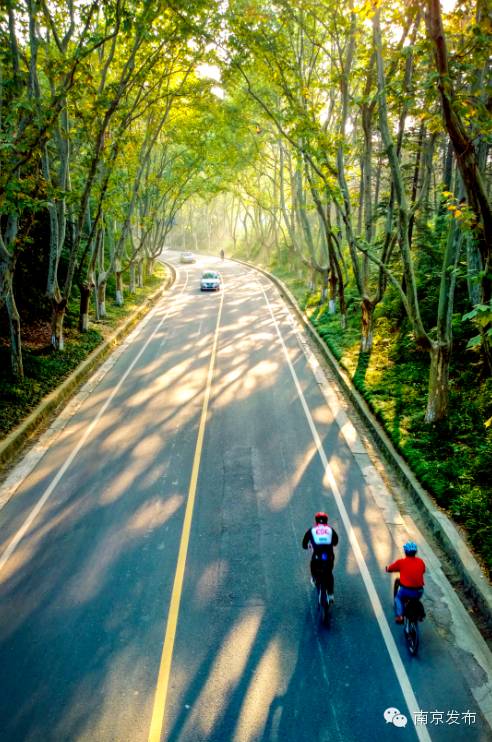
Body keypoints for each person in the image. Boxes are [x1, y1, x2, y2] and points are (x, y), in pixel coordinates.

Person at [302, 512, 339, 602]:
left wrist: (308, 546)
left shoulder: (311, 530)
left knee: (312, 564)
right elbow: (335, 542)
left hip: (317, 555)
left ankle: (314, 578)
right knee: (329, 573)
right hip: (329, 555)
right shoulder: (330, 530)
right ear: (326, 521)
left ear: (316, 521)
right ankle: (330, 594)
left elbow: (304, 544)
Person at [386, 541, 425, 624]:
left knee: (398, 598)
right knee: (416, 599)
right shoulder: (420, 561)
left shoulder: (401, 562)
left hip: (407, 590)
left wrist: (387, 569)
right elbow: (423, 571)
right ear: (415, 552)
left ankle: (400, 616)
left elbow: (390, 568)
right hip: (419, 591)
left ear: (405, 552)